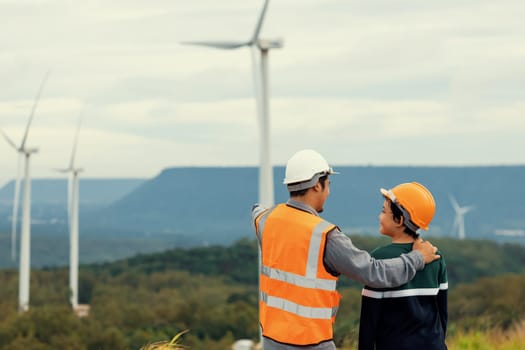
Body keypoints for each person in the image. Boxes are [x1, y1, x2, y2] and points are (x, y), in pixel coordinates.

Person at [251, 149, 440, 350]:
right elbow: (374, 273)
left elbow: (256, 211)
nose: (329, 192)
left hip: (271, 341)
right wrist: (417, 258)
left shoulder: (266, 220)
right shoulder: (325, 236)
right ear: (317, 185)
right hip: (311, 343)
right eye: (328, 185)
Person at [358, 182, 448, 350]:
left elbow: (369, 320)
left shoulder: (379, 258)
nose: (380, 216)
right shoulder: (436, 256)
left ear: (399, 220)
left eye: (384, 211)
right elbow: (442, 313)